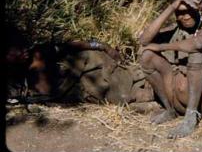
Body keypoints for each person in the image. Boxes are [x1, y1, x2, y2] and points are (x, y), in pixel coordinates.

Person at [138, 0, 202, 138]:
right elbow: (144, 41)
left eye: (190, 11)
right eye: (180, 12)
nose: (185, 16)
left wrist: (162, 46)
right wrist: (172, 7)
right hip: (181, 99)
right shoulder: (175, 28)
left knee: (196, 52)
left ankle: (190, 118)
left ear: (200, 6)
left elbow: (198, 44)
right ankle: (170, 109)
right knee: (147, 55)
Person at [6, 25, 153, 105]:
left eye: (22, 45)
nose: (23, 49)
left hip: (93, 66)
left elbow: (72, 46)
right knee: (124, 94)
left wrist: (102, 46)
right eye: (16, 48)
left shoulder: (39, 52)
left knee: (134, 75)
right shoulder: (14, 83)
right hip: (90, 87)